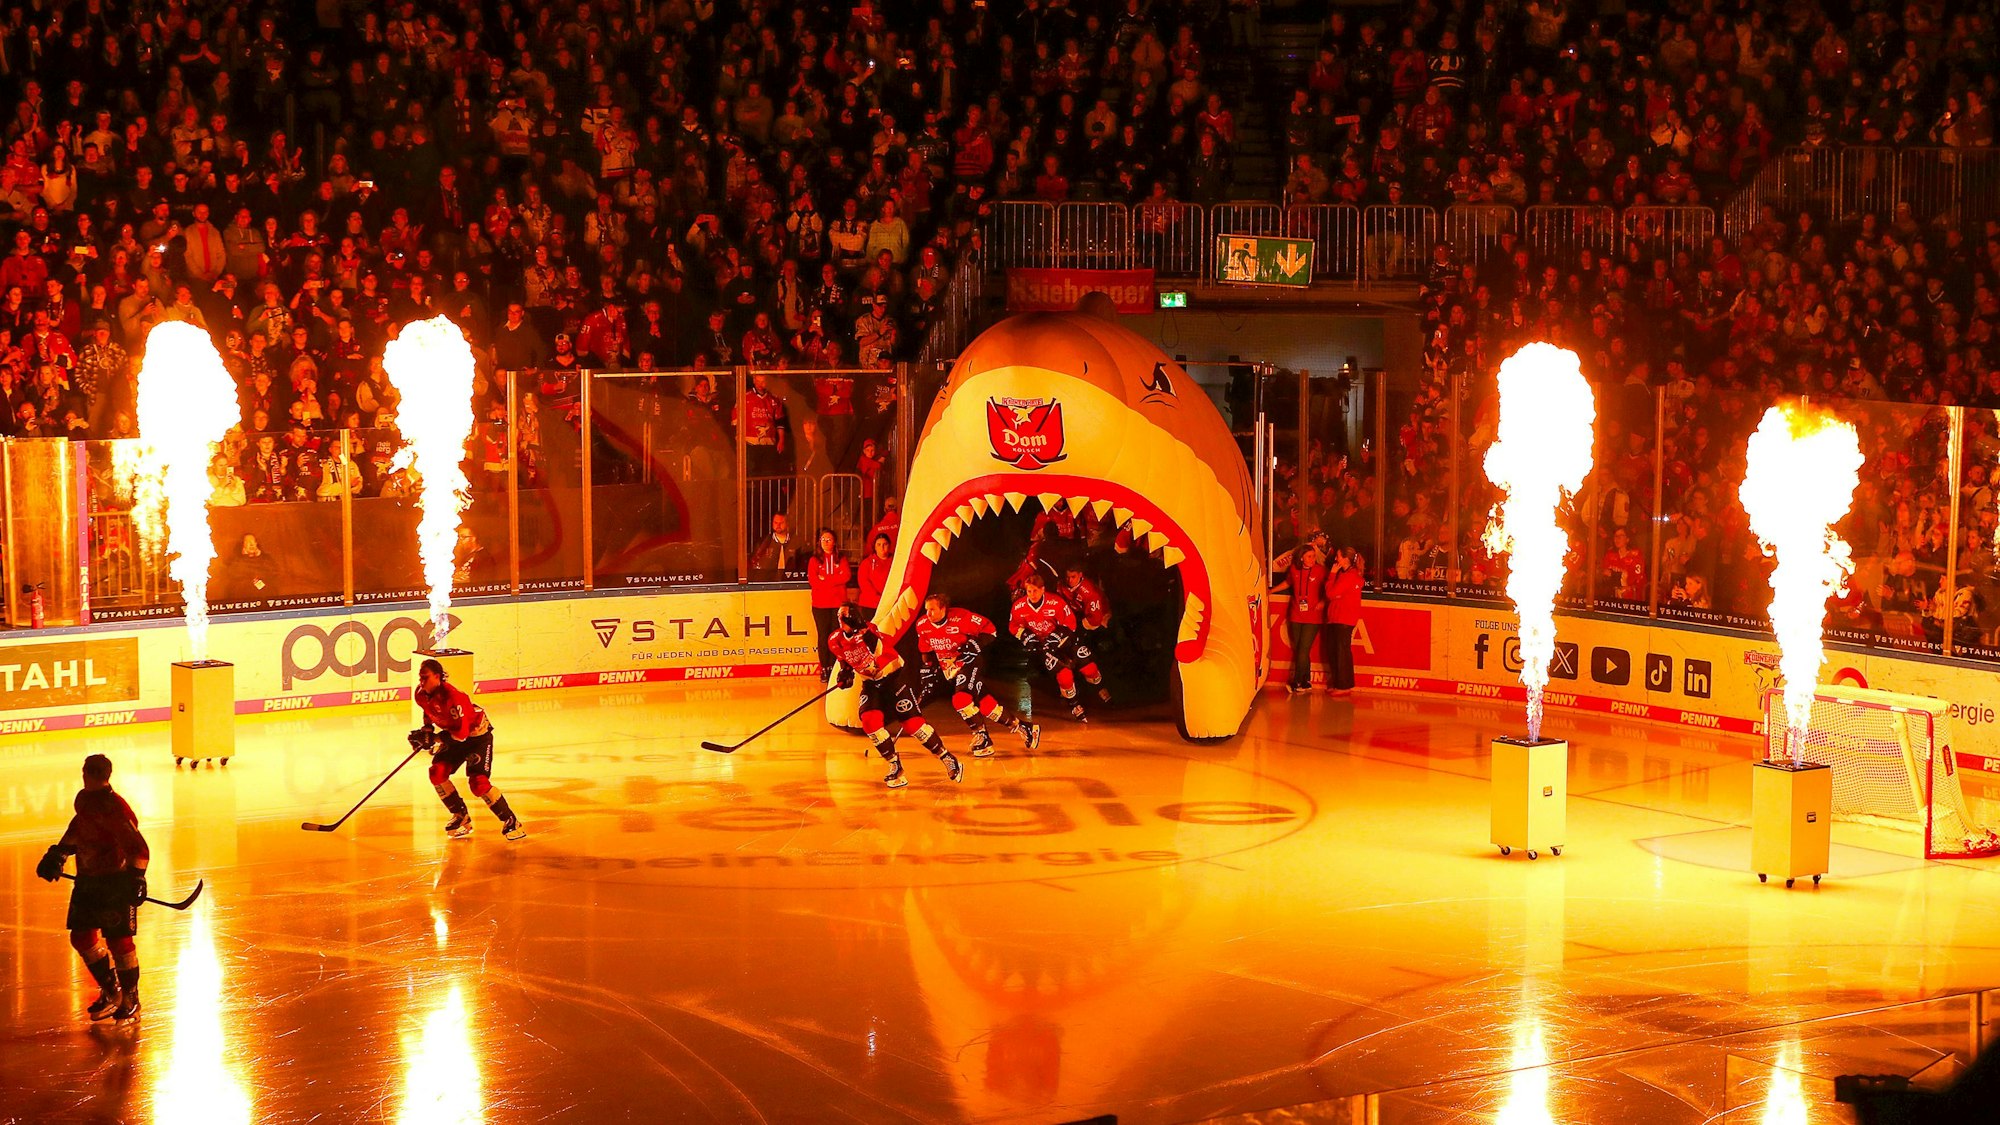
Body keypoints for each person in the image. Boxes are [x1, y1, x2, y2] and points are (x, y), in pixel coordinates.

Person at [36, 754, 149, 1022]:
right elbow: (79, 826)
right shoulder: (84, 800)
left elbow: (138, 846)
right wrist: (60, 852)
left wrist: (135, 877)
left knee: (119, 942)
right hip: (88, 881)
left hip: (114, 882)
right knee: (82, 938)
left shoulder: (115, 808)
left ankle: (131, 997)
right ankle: (111, 990)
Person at [828, 603, 962, 788]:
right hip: (870, 684)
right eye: (840, 616)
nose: (842, 619)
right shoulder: (834, 639)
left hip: (893, 679)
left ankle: (947, 758)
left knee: (913, 725)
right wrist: (845, 673)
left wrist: (862, 629)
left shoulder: (870, 631)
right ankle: (894, 766)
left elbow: (882, 649)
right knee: (869, 721)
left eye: (845, 616)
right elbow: (844, 659)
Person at [413, 658, 525, 840]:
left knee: (478, 783)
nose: (421, 681)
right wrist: (426, 731)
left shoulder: (454, 698)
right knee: (437, 773)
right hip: (456, 735)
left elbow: (461, 735)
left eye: (425, 677)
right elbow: (427, 710)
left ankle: (511, 820)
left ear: (438, 677)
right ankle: (460, 816)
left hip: (476, 737)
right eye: (420, 677)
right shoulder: (420, 693)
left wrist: (433, 739)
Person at [916, 592, 1040, 756]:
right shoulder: (922, 624)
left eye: (932, 609)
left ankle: (982, 737)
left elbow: (991, 631)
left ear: (944, 608)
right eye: (926, 610)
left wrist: (974, 644)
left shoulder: (961, 617)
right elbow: (926, 649)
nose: (928, 614)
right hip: (950, 668)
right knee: (986, 705)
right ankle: (1023, 727)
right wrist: (928, 669)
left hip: (969, 662)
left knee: (961, 699)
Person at [1010, 570, 1108, 721]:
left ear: (1042, 589)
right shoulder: (1019, 607)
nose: (1032, 594)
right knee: (1065, 676)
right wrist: (1027, 637)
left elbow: (1070, 624)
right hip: (1045, 648)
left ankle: (1099, 688)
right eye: (1029, 591)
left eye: (1035, 591)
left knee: (1090, 668)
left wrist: (1057, 636)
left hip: (1065, 641)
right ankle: (1074, 704)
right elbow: (1014, 626)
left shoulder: (1055, 602)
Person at [1278, 542, 1329, 693]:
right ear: (1301, 558)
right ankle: (1306, 681)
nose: (1313, 559)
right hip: (1296, 613)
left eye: (1314, 556)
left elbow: (1330, 587)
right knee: (1300, 649)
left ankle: (1297, 681)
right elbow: (1288, 582)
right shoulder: (1294, 569)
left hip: (1313, 615)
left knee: (1303, 648)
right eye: (1309, 556)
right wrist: (1271, 590)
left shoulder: (1320, 571)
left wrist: (1323, 601)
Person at [806, 528, 852, 677]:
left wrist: (826, 579)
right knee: (823, 636)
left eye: (829, 539)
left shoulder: (841, 558)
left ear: (834, 542)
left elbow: (846, 576)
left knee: (837, 635)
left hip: (838, 604)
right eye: (823, 539)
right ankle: (825, 667)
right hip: (820, 604)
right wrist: (834, 580)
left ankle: (835, 666)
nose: (826, 542)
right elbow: (814, 581)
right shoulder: (814, 560)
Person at [1325, 548, 1364, 695]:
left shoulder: (1349, 576)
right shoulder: (1346, 574)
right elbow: (1334, 595)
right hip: (1337, 617)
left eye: (1338, 556)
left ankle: (1343, 685)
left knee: (1341, 652)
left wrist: (1332, 575)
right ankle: (1339, 683)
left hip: (1343, 618)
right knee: (1335, 651)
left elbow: (1330, 593)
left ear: (1346, 559)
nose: (1336, 559)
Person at [857, 531, 894, 616]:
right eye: (879, 544)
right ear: (874, 546)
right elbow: (864, 583)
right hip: (870, 604)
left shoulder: (895, 562)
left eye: (885, 544)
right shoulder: (867, 563)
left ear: (889, 546)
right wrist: (879, 598)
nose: (882, 547)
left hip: (890, 604)